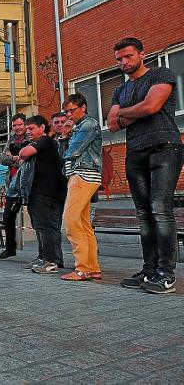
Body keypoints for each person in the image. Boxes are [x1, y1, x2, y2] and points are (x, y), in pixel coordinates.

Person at [107, 37, 183, 294]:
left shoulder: (161, 74)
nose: (123, 62)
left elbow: (152, 106)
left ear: (141, 54)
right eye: (119, 59)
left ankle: (166, 273)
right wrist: (134, 112)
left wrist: (126, 112)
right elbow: (112, 124)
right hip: (135, 152)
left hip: (164, 147)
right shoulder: (120, 89)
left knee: (160, 209)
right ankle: (149, 269)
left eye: (128, 56)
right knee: (144, 214)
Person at [60, 93, 103, 281]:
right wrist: (66, 134)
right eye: (66, 111)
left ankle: (82, 268)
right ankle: (92, 268)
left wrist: (68, 136)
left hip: (83, 175)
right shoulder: (79, 126)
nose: (68, 115)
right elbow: (65, 153)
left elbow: (72, 151)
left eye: (72, 110)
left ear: (83, 107)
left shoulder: (88, 124)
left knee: (70, 221)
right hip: (80, 176)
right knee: (84, 224)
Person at [17, 115, 66, 273]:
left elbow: (24, 153)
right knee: (40, 226)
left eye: (31, 128)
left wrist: (23, 155)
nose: (28, 132)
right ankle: (43, 257)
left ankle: (50, 260)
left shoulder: (44, 140)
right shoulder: (42, 143)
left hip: (46, 192)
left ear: (42, 127)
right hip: (38, 191)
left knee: (46, 226)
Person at [0, 113, 30, 260]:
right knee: (7, 216)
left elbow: (29, 157)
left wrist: (15, 157)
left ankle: (45, 253)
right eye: (14, 125)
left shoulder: (31, 138)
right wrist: (16, 157)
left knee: (36, 217)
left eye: (20, 124)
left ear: (25, 125)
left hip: (28, 182)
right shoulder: (12, 140)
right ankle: (10, 249)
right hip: (13, 184)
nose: (17, 128)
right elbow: (2, 158)